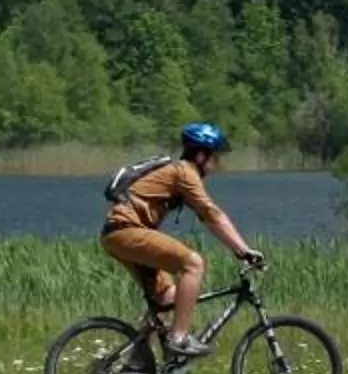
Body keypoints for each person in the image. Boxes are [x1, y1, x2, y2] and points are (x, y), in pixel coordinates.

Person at [100, 122, 267, 359]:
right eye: (215, 157)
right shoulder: (184, 172)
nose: (218, 164)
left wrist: (240, 249)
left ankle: (136, 362)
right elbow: (212, 214)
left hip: (117, 234)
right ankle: (179, 338)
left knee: (168, 297)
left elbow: (206, 217)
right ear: (201, 155)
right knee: (193, 264)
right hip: (126, 230)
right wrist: (244, 251)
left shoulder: (178, 173)